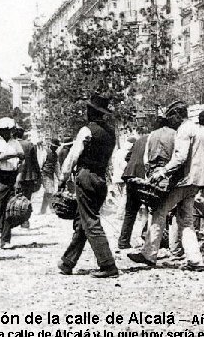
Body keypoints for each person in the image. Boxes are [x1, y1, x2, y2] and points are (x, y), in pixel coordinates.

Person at [128, 100, 204, 271]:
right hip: (197, 182)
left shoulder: (184, 130)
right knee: (186, 220)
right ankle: (195, 260)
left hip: (183, 180)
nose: (171, 123)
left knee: (160, 210)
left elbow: (180, 158)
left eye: (171, 118)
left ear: (177, 115)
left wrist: (162, 171)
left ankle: (148, 254)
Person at [57, 94, 119, 278]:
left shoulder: (86, 131)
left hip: (86, 177)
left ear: (90, 112)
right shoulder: (110, 133)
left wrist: (62, 178)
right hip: (101, 178)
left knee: (90, 221)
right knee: (83, 220)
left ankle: (108, 265)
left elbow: (73, 157)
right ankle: (68, 261)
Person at [0, 117, 24, 250]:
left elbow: (22, 160)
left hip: (11, 176)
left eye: (10, 130)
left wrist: (18, 179)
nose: (8, 133)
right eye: (6, 130)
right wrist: (14, 154)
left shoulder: (15, 142)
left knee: (9, 209)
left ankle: (5, 239)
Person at [118, 129, 151, 250]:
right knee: (153, 209)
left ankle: (123, 241)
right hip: (144, 177)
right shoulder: (156, 139)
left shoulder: (140, 140)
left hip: (131, 175)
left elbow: (127, 157)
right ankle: (146, 237)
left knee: (130, 211)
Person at [13, 125, 41, 228]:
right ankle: (25, 221)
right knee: (27, 199)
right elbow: (35, 162)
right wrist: (38, 175)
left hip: (14, 176)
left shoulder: (12, 144)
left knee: (14, 198)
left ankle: (14, 220)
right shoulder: (30, 145)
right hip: (28, 176)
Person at [39, 138, 60, 214]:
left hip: (51, 174)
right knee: (49, 191)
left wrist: (59, 177)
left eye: (57, 147)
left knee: (48, 192)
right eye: (54, 146)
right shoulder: (45, 152)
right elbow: (40, 164)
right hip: (45, 174)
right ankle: (52, 209)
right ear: (51, 145)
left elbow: (57, 167)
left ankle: (42, 210)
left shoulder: (56, 155)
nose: (56, 148)